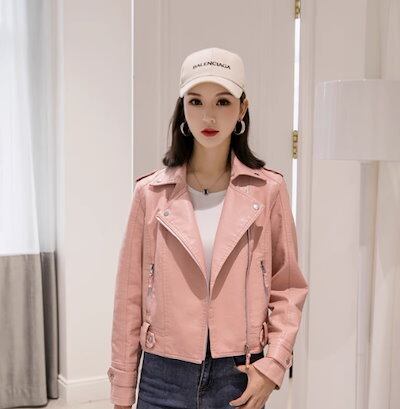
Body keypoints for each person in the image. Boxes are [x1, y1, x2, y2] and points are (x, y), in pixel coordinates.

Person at [107, 47, 309, 409]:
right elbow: (129, 299)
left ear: (242, 109)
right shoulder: (150, 194)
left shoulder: (268, 191)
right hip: (162, 375)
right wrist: (122, 391)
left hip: (240, 374)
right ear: (182, 108)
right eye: (196, 101)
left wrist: (274, 364)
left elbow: (288, 287)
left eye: (223, 101)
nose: (209, 115)